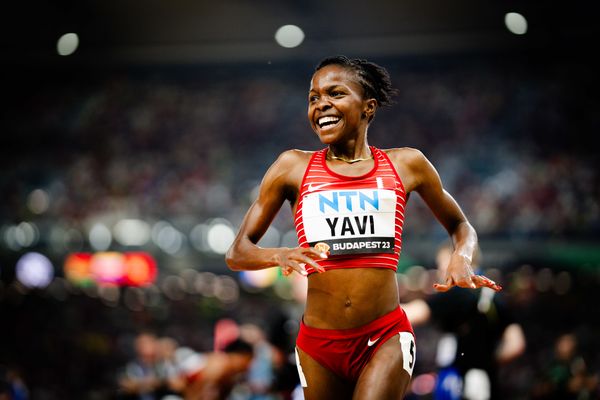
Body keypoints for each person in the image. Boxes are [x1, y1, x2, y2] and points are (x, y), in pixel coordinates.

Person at [226, 55, 501, 400]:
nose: (322, 104)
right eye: (314, 97)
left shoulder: (407, 164)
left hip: (384, 336)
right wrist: (281, 254)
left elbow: (461, 224)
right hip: (318, 345)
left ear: (368, 107)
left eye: (336, 93)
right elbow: (238, 253)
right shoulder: (291, 167)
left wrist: (461, 257)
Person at [402, 242, 526, 400]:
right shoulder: (494, 295)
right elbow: (516, 344)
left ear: (458, 261)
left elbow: (415, 313)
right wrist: (484, 360)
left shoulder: (459, 292)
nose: (440, 270)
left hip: (459, 384)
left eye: (442, 263)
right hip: (486, 384)